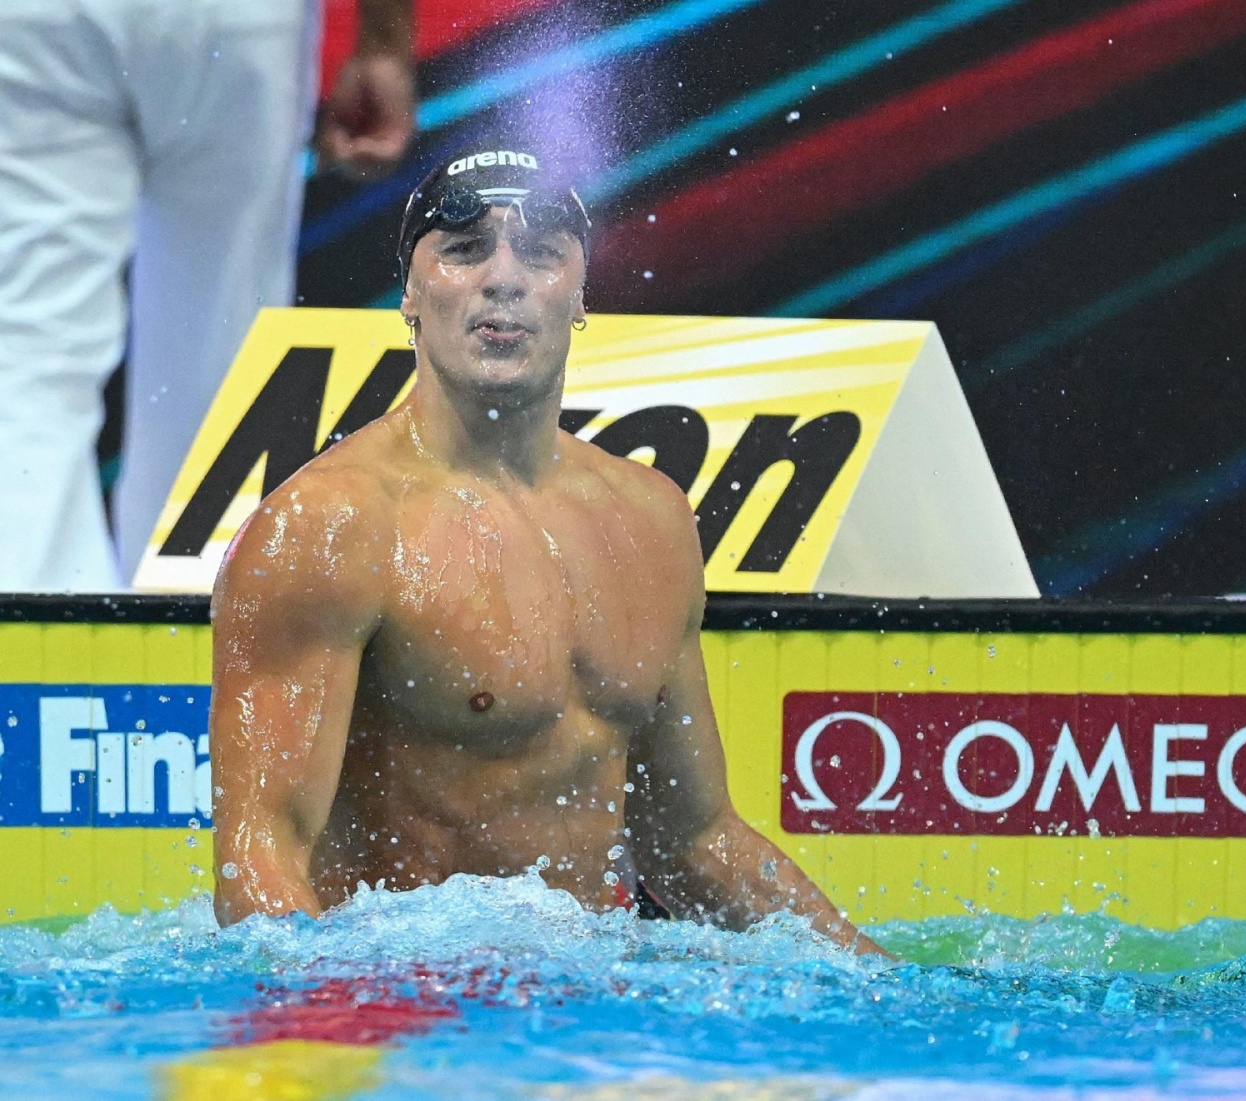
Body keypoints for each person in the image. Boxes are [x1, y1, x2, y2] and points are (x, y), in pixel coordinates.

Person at [208, 148, 884, 955]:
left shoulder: (651, 519)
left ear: (580, 293)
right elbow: (258, 866)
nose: (505, 277)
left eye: (540, 252)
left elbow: (696, 842)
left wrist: (894, 986)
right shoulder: (330, 526)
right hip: (410, 1003)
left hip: (588, 1010)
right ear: (410, 295)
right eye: (463, 250)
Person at [0, 0, 414, 591]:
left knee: (25, 363)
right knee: (216, 378)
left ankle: (29, 670)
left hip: (41, 21)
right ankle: (192, 661)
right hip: (231, 20)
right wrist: (382, 41)